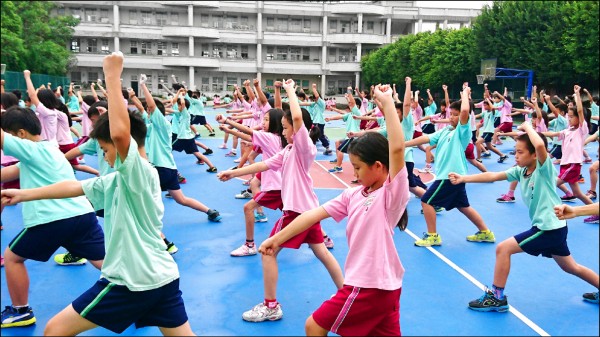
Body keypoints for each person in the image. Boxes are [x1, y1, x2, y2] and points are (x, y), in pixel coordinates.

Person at [1, 52, 196, 335]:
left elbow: (119, 135)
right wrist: (24, 195)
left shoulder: (139, 171)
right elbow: (74, 186)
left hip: (130, 282)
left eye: (104, 150)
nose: (103, 158)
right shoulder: (118, 180)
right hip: (163, 277)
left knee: (54, 330)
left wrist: (112, 76)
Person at [259, 81, 409, 336]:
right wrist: (276, 238)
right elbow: (311, 215)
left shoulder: (390, 195)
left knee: (313, 326)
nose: (355, 172)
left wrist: (386, 104)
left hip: (370, 285)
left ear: (379, 167)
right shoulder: (353, 195)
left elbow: (396, 148)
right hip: (384, 287)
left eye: (359, 167)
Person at [217, 79, 344, 323]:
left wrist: (289, 91)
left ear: (298, 130)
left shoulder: (304, 147)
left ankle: (271, 306)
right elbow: (265, 164)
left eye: (286, 128)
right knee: (322, 253)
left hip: (297, 213)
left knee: (267, 251)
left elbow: (297, 119)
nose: (283, 131)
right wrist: (233, 172)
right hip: (309, 212)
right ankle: (346, 294)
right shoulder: (287, 152)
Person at [449, 121, 599, 310]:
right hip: (553, 228)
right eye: (515, 151)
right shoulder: (521, 171)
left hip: (548, 228)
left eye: (520, 152)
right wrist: (464, 178)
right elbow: (494, 176)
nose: (516, 155)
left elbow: (539, 145)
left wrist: (528, 127)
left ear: (534, 155)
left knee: (503, 249)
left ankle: (497, 297)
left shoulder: (543, 170)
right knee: (571, 267)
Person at [0, 106, 105, 328]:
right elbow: (7, 173)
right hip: (81, 215)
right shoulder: (49, 150)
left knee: (12, 257)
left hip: (52, 219)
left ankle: (21, 311)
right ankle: (137, 292)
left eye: (10, 135)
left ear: (20, 134)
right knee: (105, 262)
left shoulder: (32, 150)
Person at [406, 86, 495, 247]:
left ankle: (432, 236)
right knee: (463, 206)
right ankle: (485, 232)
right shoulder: (445, 130)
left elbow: (465, 112)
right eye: (451, 114)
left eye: (455, 115)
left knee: (426, 201)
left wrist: (466, 94)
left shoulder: (462, 131)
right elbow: (426, 138)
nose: (452, 117)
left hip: (449, 176)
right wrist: (404, 143)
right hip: (455, 177)